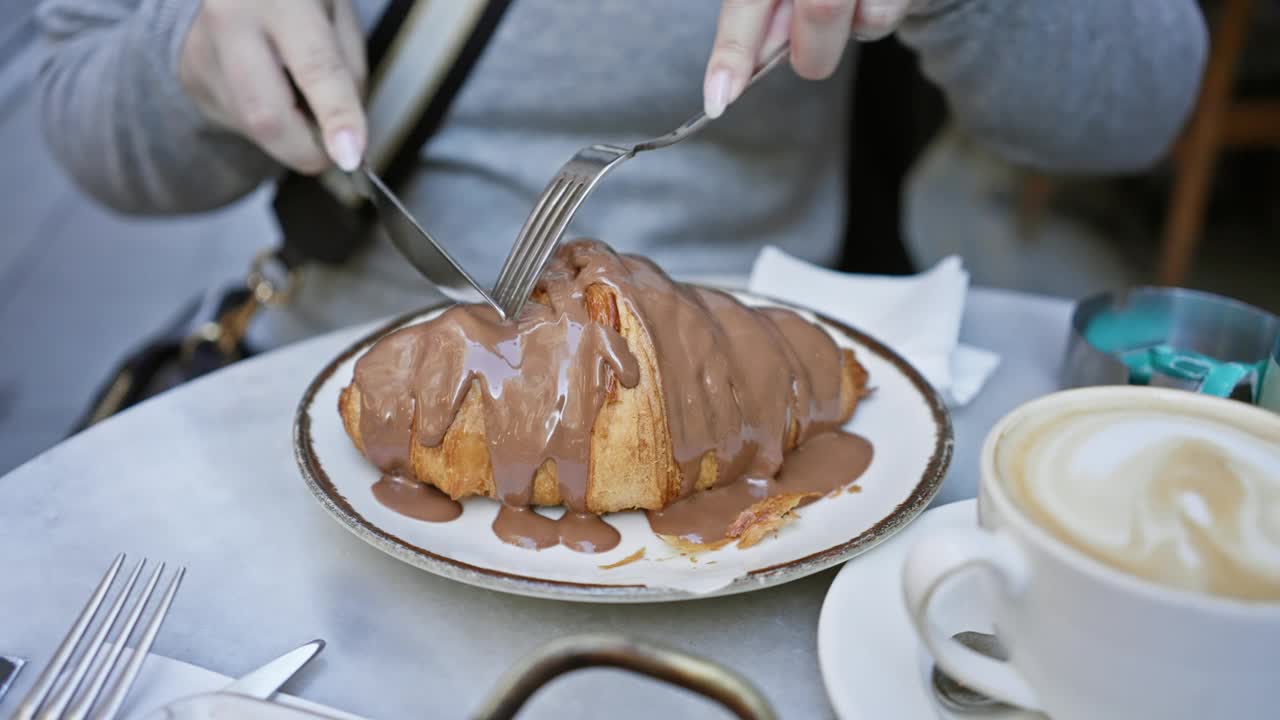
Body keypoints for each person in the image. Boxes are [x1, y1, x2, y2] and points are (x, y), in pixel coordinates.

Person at [35, 0, 1208, 348]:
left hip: (748, 378)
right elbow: (79, 104)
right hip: (343, 372)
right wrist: (190, 60)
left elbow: (1138, 105)